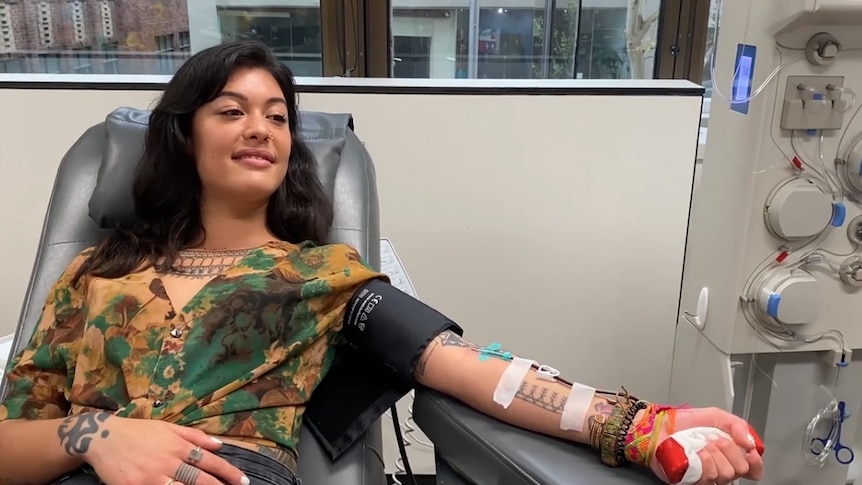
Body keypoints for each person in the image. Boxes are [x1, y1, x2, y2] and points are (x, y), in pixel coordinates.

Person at [0, 40, 764, 485]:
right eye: (231, 110)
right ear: (183, 135)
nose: (260, 127)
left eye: (277, 116)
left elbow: (464, 367)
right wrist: (99, 434)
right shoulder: (97, 273)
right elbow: (9, 441)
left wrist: (641, 423)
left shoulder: (321, 276)